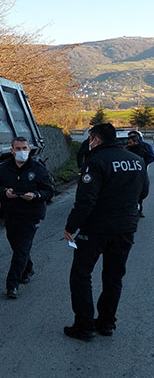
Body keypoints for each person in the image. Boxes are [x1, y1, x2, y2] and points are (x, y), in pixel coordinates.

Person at [63, 123, 148, 340]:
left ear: (96, 139)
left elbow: (86, 201)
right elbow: (144, 191)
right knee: (114, 276)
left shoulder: (95, 162)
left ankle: (84, 325)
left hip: (97, 228)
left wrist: (71, 227)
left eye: (90, 138)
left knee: (81, 274)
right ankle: (106, 322)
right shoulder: (137, 161)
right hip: (126, 228)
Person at [0, 137, 55, 299]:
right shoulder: (3, 169)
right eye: (18, 149)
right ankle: (28, 268)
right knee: (16, 245)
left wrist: (35, 195)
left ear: (29, 149)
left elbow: (49, 191)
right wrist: (5, 192)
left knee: (21, 248)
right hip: (11, 213)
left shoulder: (38, 169)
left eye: (24, 148)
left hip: (32, 214)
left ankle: (12, 285)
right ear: (12, 151)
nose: (21, 152)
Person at [126, 133, 151, 217]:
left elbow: (150, 156)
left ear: (136, 142)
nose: (128, 144)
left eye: (130, 142)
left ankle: (139, 209)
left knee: (139, 191)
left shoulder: (144, 148)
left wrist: (144, 164)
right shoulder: (127, 149)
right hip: (129, 173)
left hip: (139, 173)